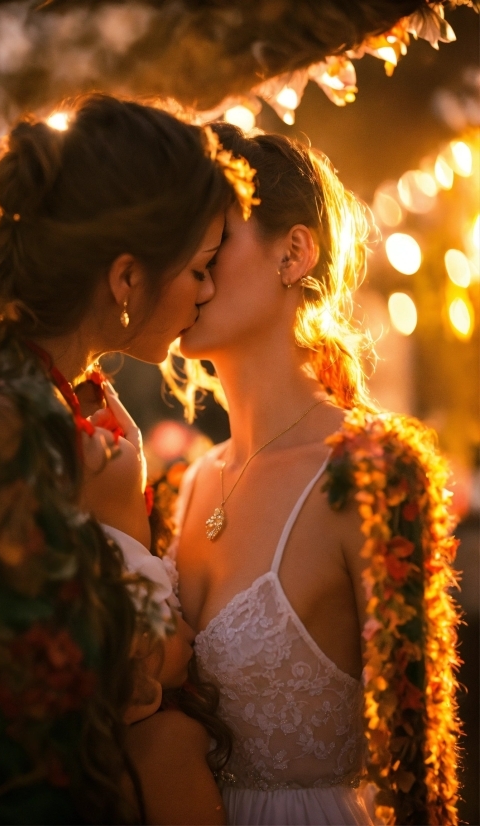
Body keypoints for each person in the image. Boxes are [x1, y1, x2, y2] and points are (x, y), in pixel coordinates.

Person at [0, 95, 255, 825]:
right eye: (196, 269)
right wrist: (123, 520)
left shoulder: (63, 400)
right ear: (126, 280)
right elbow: (100, 683)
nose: (208, 290)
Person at [164, 125, 460, 826]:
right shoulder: (186, 484)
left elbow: (421, 777)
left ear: (292, 252)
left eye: (210, 238)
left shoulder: (369, 474)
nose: (185, 267)